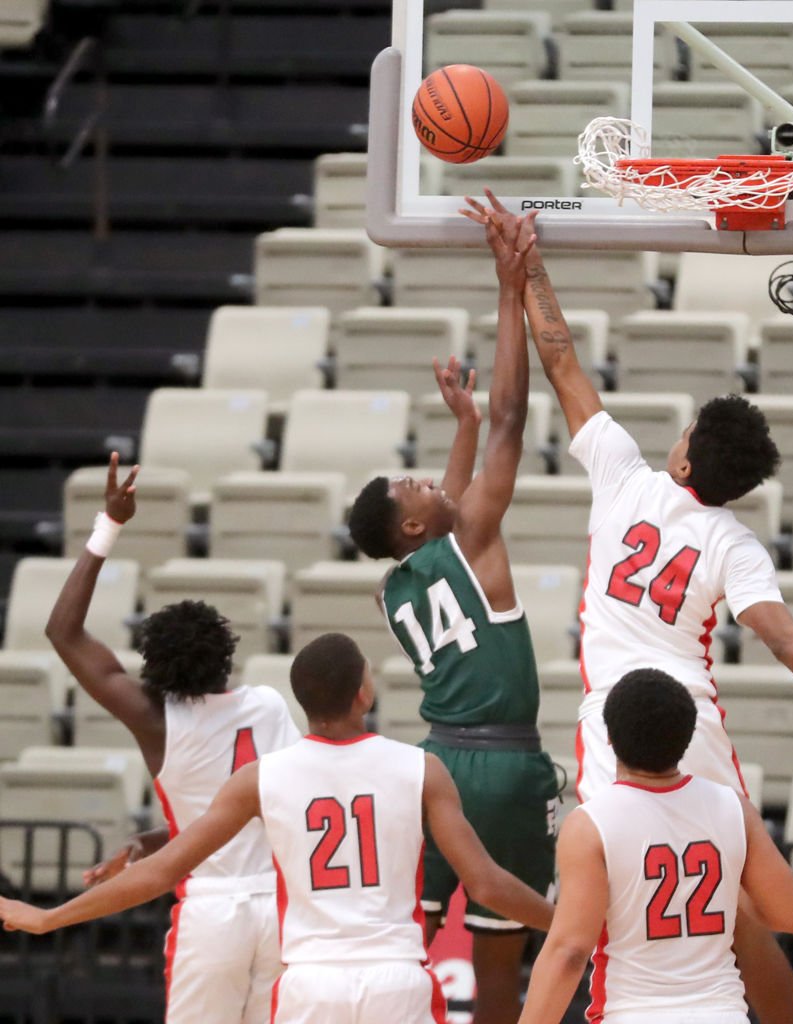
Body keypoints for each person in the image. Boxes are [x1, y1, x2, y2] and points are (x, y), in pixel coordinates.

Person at [461, 191, 793, 1024]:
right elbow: (784, 641)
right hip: (697, 726)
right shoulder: (735, 546)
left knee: (604, 905)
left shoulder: (622, 474)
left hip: (621, 717)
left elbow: (562, 358)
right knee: (744, 903)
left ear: (682, 453)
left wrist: (525, 266)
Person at [0, 633, 556, 1024]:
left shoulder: (259, 780)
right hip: (395, 977)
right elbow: (485, 885)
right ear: (366, 693)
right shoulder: (420, 768)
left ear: (303, 703)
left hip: (311, 984)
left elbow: (162, 872)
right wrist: (571, 924)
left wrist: (52, 917)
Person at [346, 213, 559, 1024]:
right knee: (500, 959)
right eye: (415, 485)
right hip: (501, 772)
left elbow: (448, 517)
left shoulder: (395, 587)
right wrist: (509, 292)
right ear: (411, 525)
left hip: (431, 764)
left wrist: (459, 429)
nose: (428, 483)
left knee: (409, 938)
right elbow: (512, 420)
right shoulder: (466, 539)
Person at [44, 453, 300, 1024]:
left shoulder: (156, 720)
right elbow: (263, 808)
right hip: (282, 908)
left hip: (212, 910)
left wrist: (108, 527)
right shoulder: (268, 704)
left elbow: (63, 631)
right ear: (225, 652)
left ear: (155, 663)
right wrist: (154, 839)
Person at [517, 668, 793, 1024]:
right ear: (687, 738)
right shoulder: (733, 807)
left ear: (608, 736)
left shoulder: (591, 824)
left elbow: (570, 951)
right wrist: (727, 887)